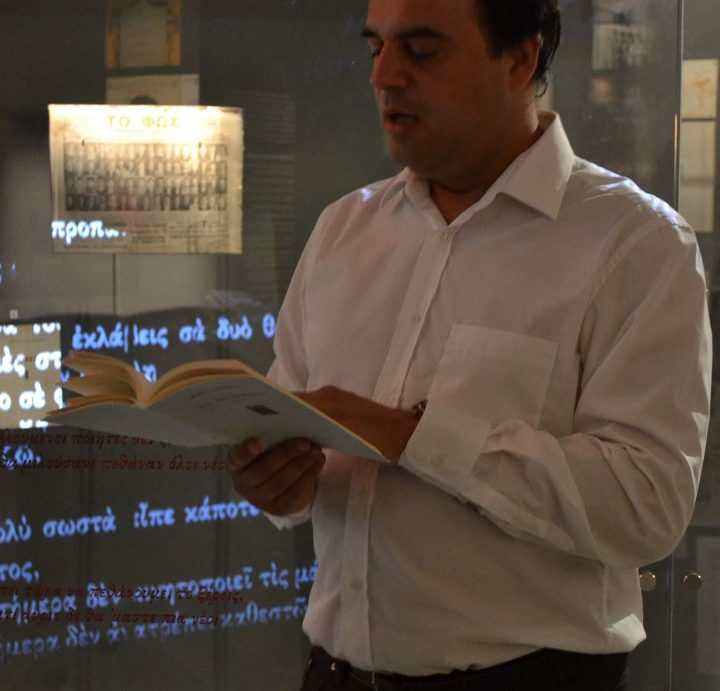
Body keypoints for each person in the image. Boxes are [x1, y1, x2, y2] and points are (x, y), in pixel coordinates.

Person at [227, 1, 712, 690]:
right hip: (333, 672)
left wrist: (413, 436)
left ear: (519, 59)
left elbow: (647, 502)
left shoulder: (635, 242)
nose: (384, 76)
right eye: (376, 48)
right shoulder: (343, 230)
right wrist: (276, 481)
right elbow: (297, 442)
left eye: (421, 50)